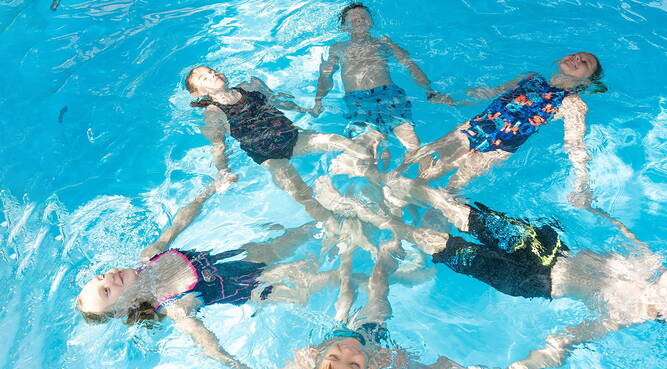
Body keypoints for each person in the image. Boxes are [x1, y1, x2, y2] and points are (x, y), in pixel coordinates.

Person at [312, 176, 667, 369]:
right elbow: (625, 234)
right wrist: (591, 207)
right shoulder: (652, 264)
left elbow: (570, 340)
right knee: (464, 213)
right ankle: (399, 185)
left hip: (530, 280)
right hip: (547, 247)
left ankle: (357, 209)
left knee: (438, 243)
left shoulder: (631, 312)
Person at [75, 178, 349, 369]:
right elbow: (209, 345)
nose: (109, 276)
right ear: (123, 308)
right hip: (253, 288)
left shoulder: (148, 258)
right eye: (107, 290)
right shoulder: (174, 307)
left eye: (101, 277)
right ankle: (366, 271)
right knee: (319, 276)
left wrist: (209, 191)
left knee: (302, 234)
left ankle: (344, 220)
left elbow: (178, 224)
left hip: (240, 259)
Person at [185, 65, 377, 239]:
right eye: (204, 78)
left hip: (291, 137)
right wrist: (223, 170)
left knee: (335, 140)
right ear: (199, 93)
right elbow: (218, 145)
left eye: (211, 71)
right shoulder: (213, 113)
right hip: (268, 154)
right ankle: (331, 224)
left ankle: (371, 166)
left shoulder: (250, 86)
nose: (212, 74)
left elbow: (276, 101)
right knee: (299, 191)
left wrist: (304, 109)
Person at [402, 51, 607, 205]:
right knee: (421, 168)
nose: (577, 59)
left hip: (496, 149)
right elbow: (490, 93)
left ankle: (428, 217)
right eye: (576, 55)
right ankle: (402, 200)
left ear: (587, 80)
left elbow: (574, 143)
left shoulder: (572, 103)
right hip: (469, 129)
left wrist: (582, 182)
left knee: (450, 190)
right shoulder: (530, 77)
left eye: (585, 62)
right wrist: (451, 100)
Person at [294, 240, 461, 369]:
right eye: (355, 365)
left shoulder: (312, 360)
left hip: (337, 334)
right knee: (378, 298)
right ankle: (386, 260)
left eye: (333, 358)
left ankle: (346, 255)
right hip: (371, 333)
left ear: (317, 366)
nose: (348, 352)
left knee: (344, 299)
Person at [310, 2, 456, 164]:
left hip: (388, 94)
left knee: (412, 143)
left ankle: (422, 174)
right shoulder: (337, 47)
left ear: (371, 22)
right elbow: (325, 76)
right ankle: (379, 173)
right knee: (363, 150)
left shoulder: (383, 42)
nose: (359, 18)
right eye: (353, 17)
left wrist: (429, 89)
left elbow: (408, 63)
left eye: (364, 16)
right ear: (343, 28)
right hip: (357, 101)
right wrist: (318, 100)